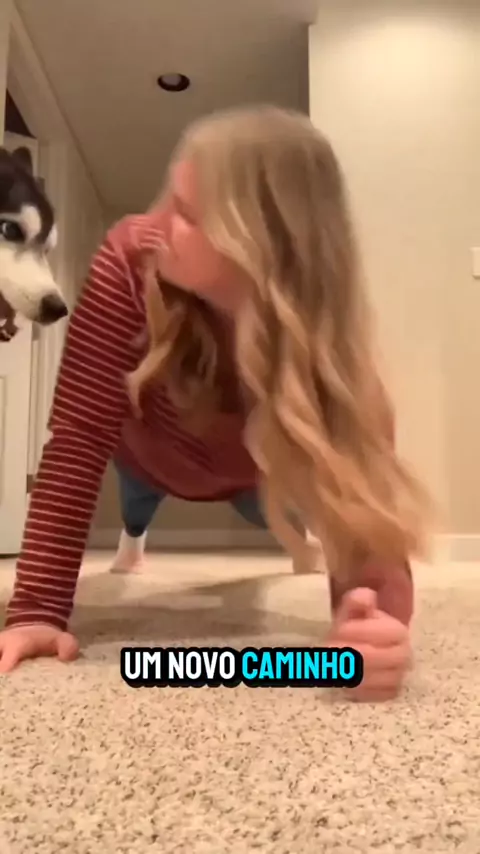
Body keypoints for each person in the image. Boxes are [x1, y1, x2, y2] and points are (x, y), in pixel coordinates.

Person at [0, 106, 430, 701]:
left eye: (184, 213)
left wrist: (372, 629)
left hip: (256, 472)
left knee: (290, 521)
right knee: (136, 505)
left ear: (258, 246)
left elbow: (361, 504)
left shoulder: (327, 357)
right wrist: (36, 610)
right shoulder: (129, 257)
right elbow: (78, 436)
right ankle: (134, 543)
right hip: (144, 452)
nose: (153, 223)